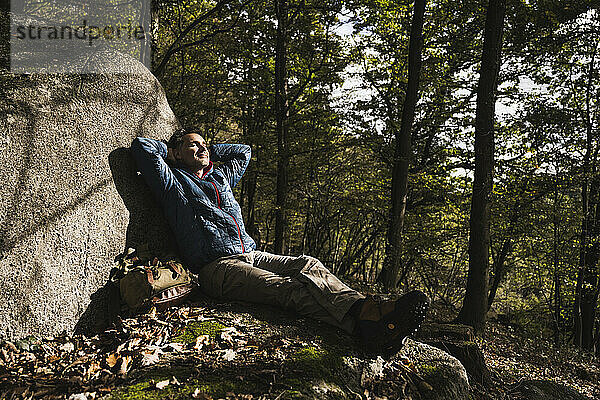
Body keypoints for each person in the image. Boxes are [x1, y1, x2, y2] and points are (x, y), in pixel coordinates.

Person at [130, 129, 429, 357]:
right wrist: (172, 151)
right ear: (176, 153)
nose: (202, 147)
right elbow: (142, 148)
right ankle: (366, 323)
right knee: (287, 289)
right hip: (217, 267)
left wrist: (209, 147)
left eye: (204, 144)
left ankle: (366, 314)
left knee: (308, 264)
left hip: (251, 252)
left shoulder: (220, 177)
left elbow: (243, 152)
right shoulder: (172, 181)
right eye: (192, 144)